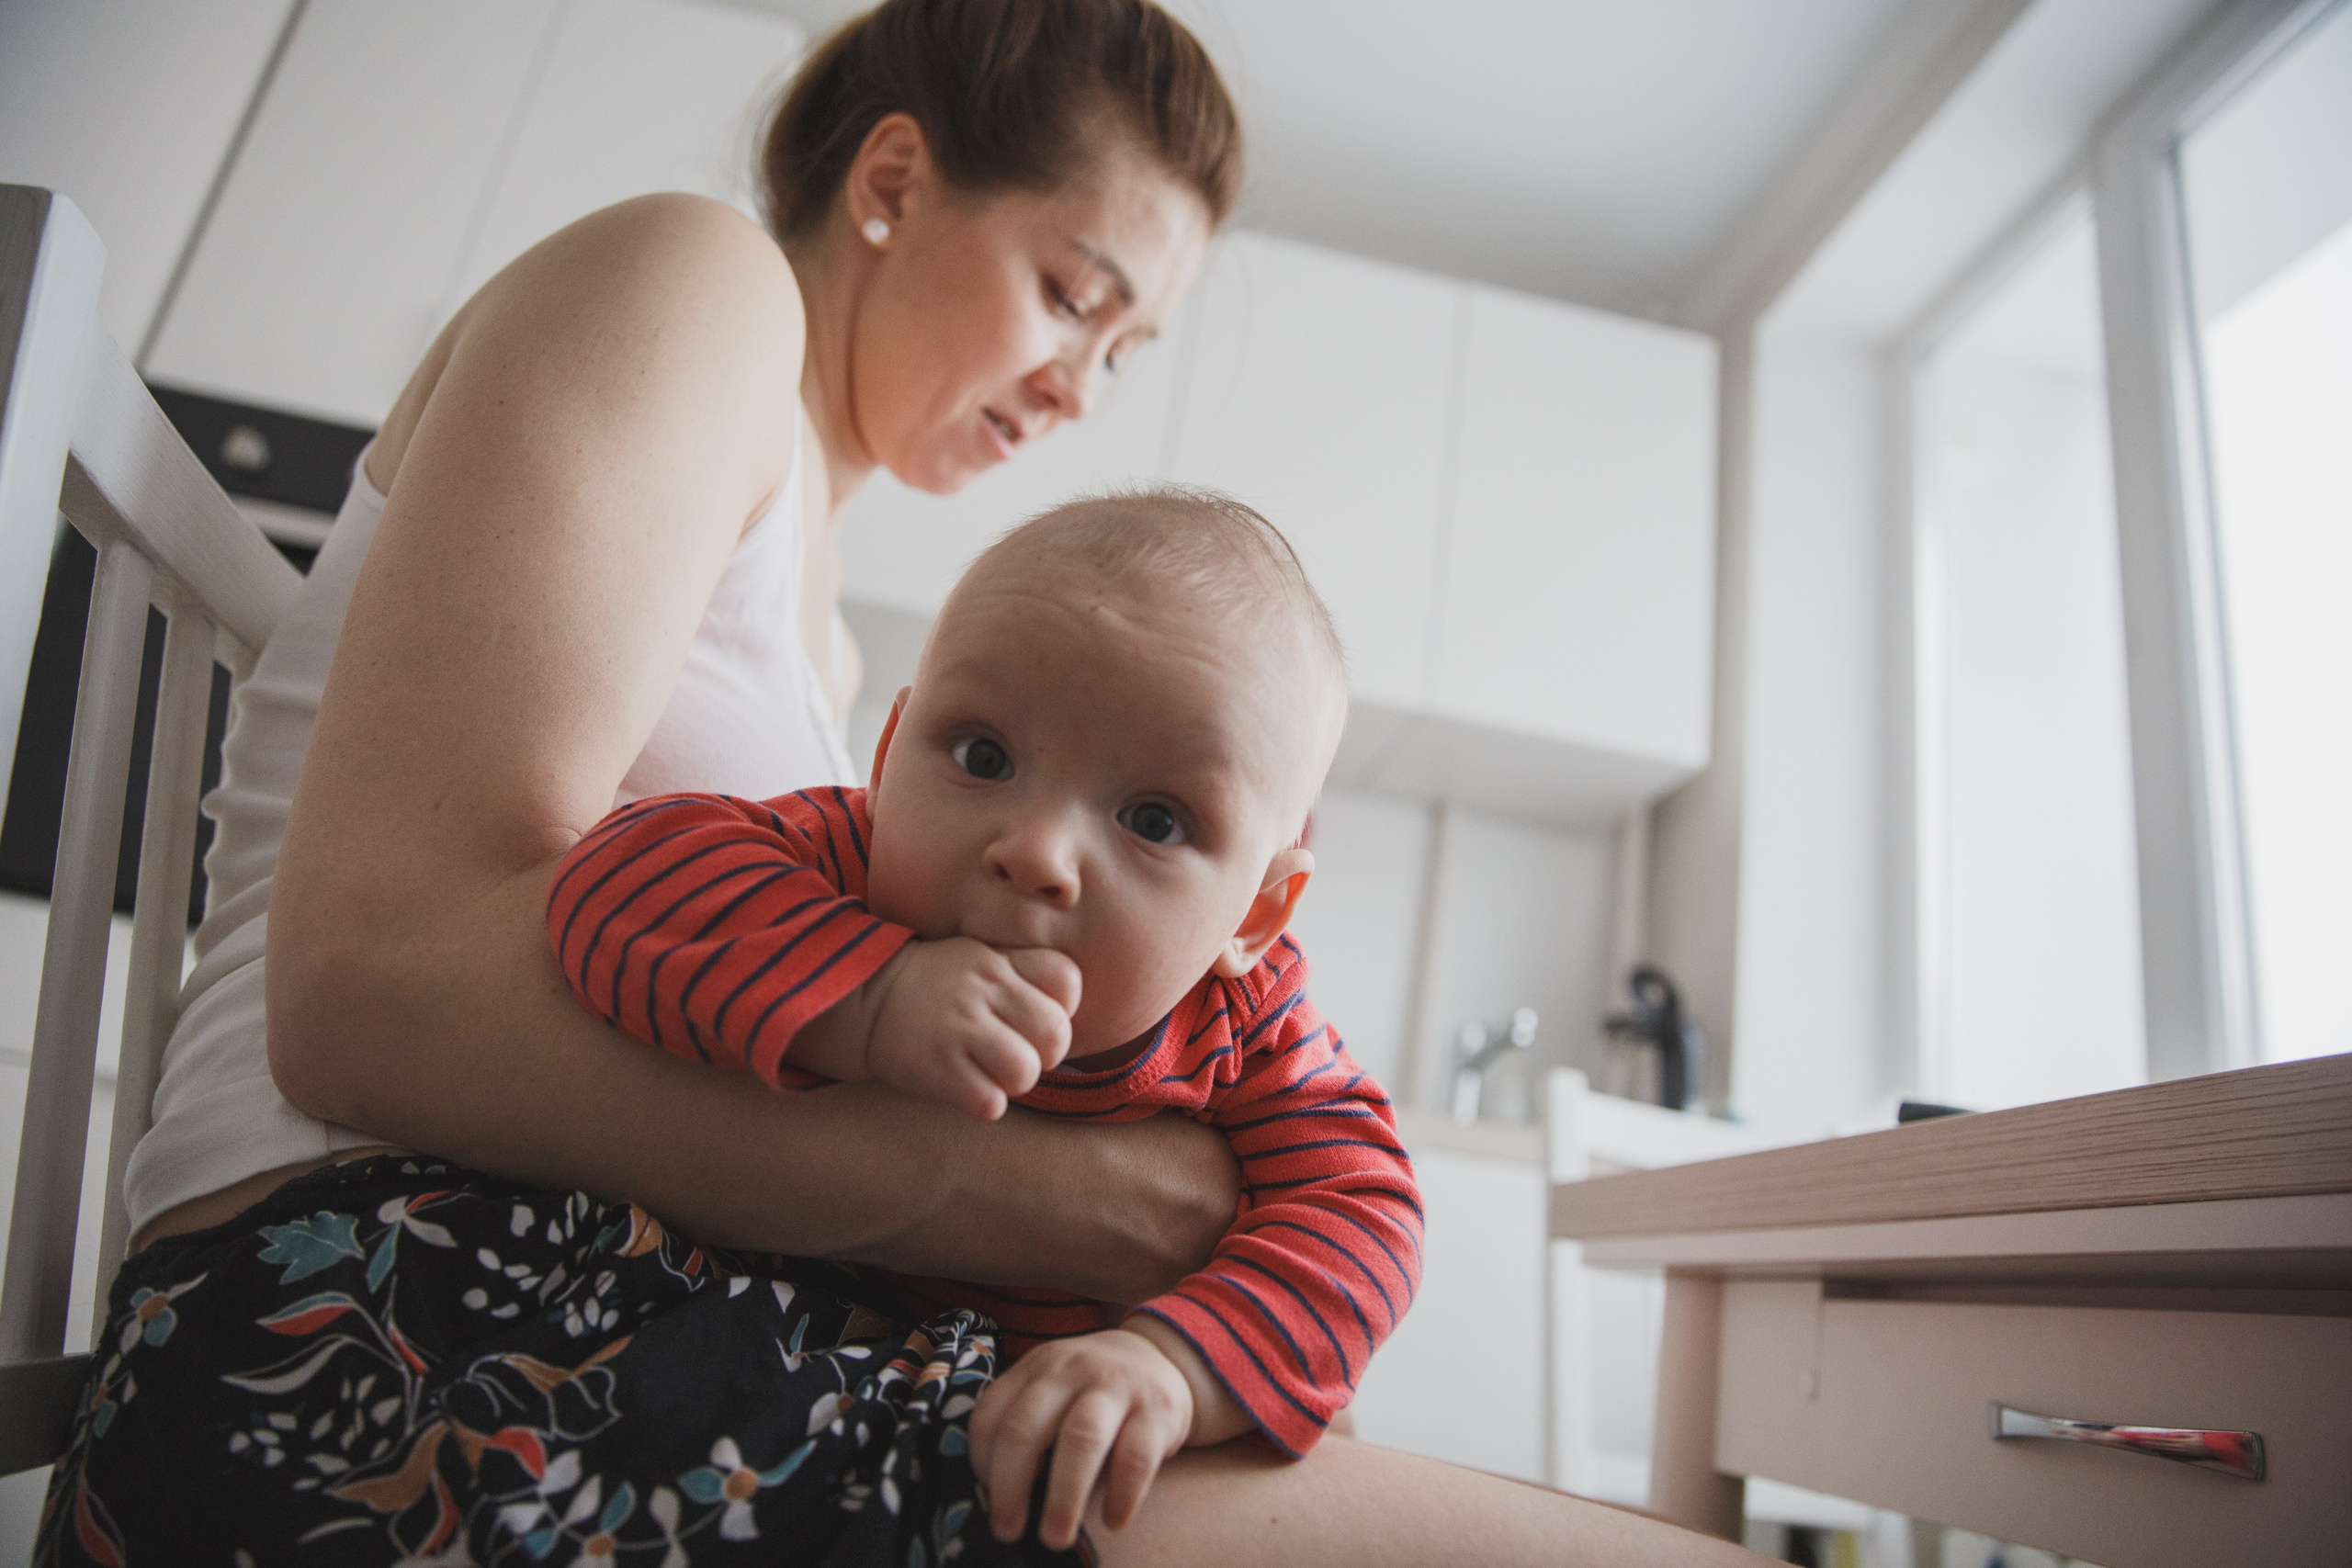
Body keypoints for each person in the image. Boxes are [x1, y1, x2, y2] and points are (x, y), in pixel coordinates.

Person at [46, 0, 1765, 1562]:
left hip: (669, 1303)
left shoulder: (848, 663)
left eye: (1127, 349)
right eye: (1075, 294)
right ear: (890, 180)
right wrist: (1087, 1208)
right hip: (400, 1312)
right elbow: (367, 999)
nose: (1082, 387)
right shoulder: (691, 286)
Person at [547, 491, 1416, 1551]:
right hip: (756, 1369)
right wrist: (868, 995)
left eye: (1153, 820)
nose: (1035, 850)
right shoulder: (845, 860)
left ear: (1257, 914)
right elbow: (610, 881)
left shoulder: (1247, 1022)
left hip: (1033, 1434)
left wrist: (1174, 1367)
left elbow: (1364, 1213)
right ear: (889, 753)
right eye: (982, 757)